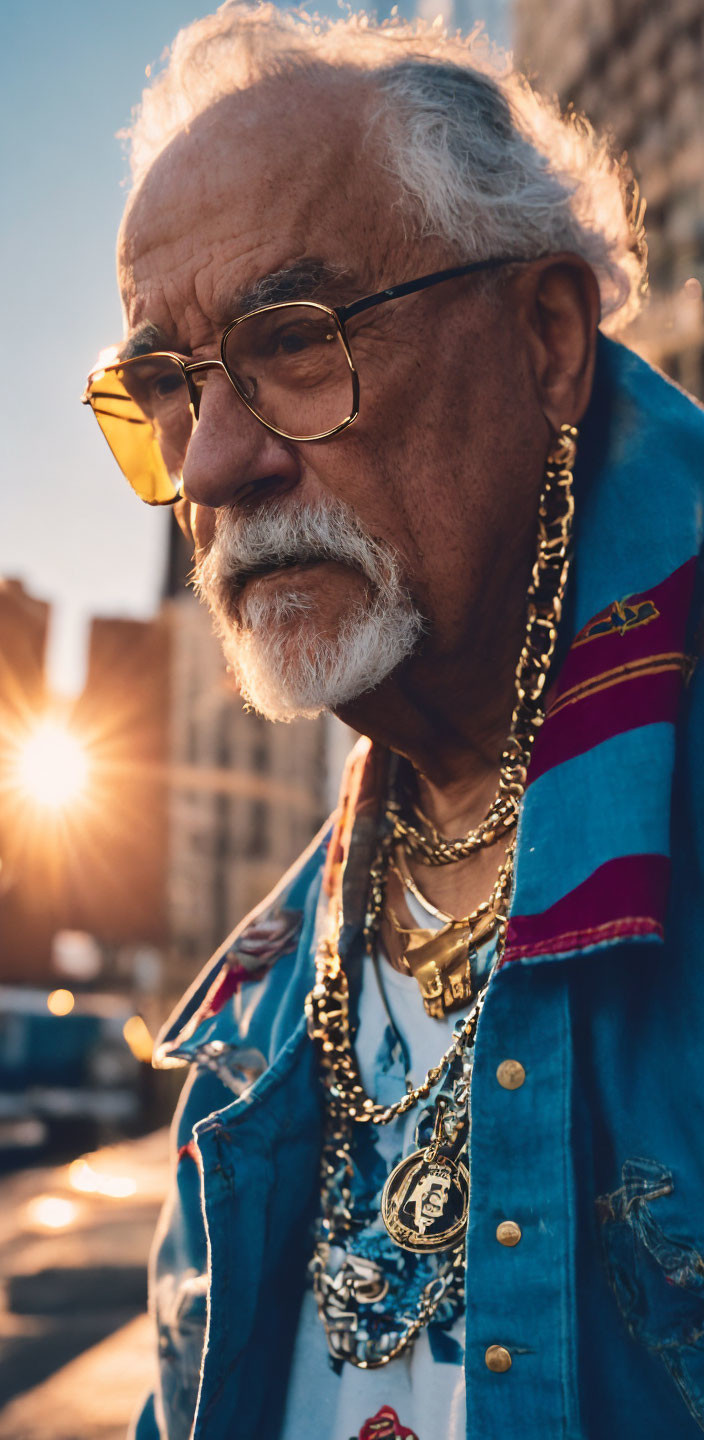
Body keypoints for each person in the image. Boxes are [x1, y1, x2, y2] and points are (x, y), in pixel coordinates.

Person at [82, 5, 704, 1437]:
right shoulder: (254, 1008)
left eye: (293, 341)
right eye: (169, 387)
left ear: (547, 337)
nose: (217, 467)